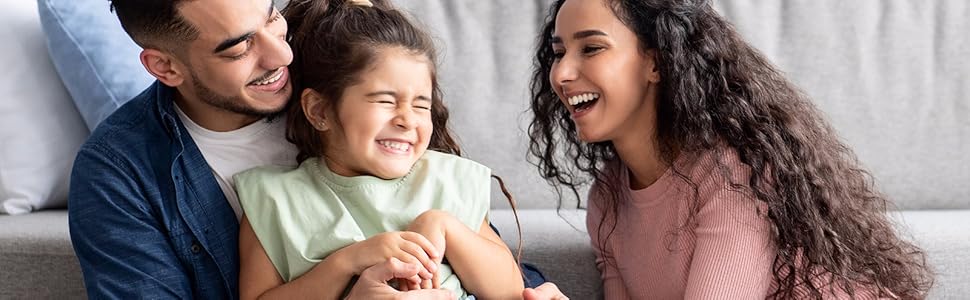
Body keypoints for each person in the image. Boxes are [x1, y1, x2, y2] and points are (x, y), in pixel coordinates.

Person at [67, 0, 492, 298]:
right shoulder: (118, 172)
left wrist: (530, 289)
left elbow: (460, 221)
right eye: (238, 47)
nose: (282, 53)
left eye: (271, 17)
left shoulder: (337, 73)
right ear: (165, 66)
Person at [527, 0, 934, 299]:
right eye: (559, 52)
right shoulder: (608, 200)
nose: (561, 73)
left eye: (591, 48)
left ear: (656, 62)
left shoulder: (730, 173)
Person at [234, 0, 525, 299]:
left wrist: (444, 226)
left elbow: (511, 292)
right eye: (385, 101)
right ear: (319, 110)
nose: (407, 119)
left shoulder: (447, 181)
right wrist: (347, 262)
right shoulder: (275, 200)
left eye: (421, 105)